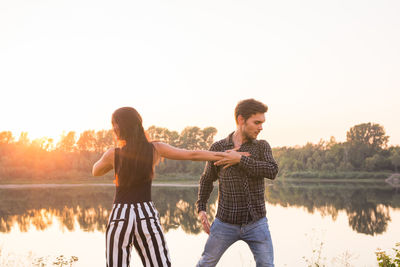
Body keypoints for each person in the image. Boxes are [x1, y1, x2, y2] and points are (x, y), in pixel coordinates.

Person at [92, 107, 237, 267]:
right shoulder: (155, 148)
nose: (113, 128)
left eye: (114, 124)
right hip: (145, 214)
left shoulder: (112, 154)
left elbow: (95, 171)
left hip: (120, 215)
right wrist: (227, 155)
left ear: (122, 126)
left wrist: (110, 164)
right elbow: (192, 155)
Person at [196, 99, 279, 267]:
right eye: (256, 122)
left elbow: (272, 170)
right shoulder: (218, 147)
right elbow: (207, 179)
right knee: (205, 264)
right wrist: (201, 208)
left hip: (257, 223)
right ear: (241, 120)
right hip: (224, 223)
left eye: (262, 123)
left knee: (266, 265)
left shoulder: (262, 146)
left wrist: (240, 159)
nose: (260, 127)